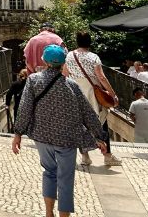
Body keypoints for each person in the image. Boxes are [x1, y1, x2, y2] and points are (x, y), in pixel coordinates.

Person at [12, 44, 108, 217]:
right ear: (63, 63)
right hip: (66, 138)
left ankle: (49, 213)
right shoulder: (71, 85)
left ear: (45, 61)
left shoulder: (33, 81)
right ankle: (64, 215)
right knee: (66, 178)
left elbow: (24, 108)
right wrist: (99, 136)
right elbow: (88, 112)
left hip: (42, 135)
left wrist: (18, 133)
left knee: (49, 172)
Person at [63, 31, 121, 167]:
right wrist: (112, 94)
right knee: (101, 123)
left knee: (80, 125)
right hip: (93, 94)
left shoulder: (69, 56)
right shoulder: (93, 57)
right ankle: (107, 156)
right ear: (89, 42)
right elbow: (101, 77)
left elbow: (65, 74)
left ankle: (85, 157)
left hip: (76, 93)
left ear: (77, 42)